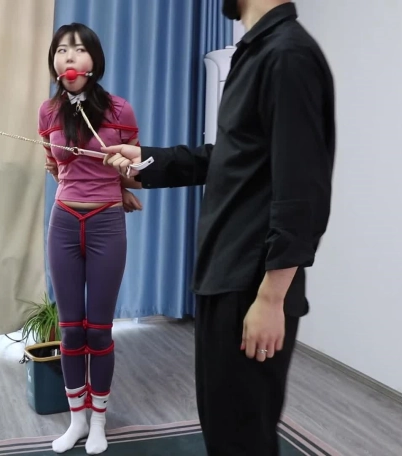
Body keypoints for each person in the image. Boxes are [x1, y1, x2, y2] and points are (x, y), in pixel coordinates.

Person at [103, 1, 336, 454]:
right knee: (224, 430)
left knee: (242, 438)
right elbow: (230, 159)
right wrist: (147, 162)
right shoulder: (257, 52)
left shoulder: (288, 55)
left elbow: (303, 191)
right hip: (223, 277)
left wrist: (272, 298)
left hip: (251, 288)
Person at [38, 22, 143, 455]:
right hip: (64, 222)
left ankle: (99, 422)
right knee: (70, 332)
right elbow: (54, 165)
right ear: (55, 62)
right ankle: (76, 420)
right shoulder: (48, 112)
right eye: (62, 50)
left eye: (79, 49)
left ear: (94, 61)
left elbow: (136, 170)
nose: (69, 56)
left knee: (99, 331)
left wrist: (124, 179)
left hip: (106, 223)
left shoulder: (120, 110)